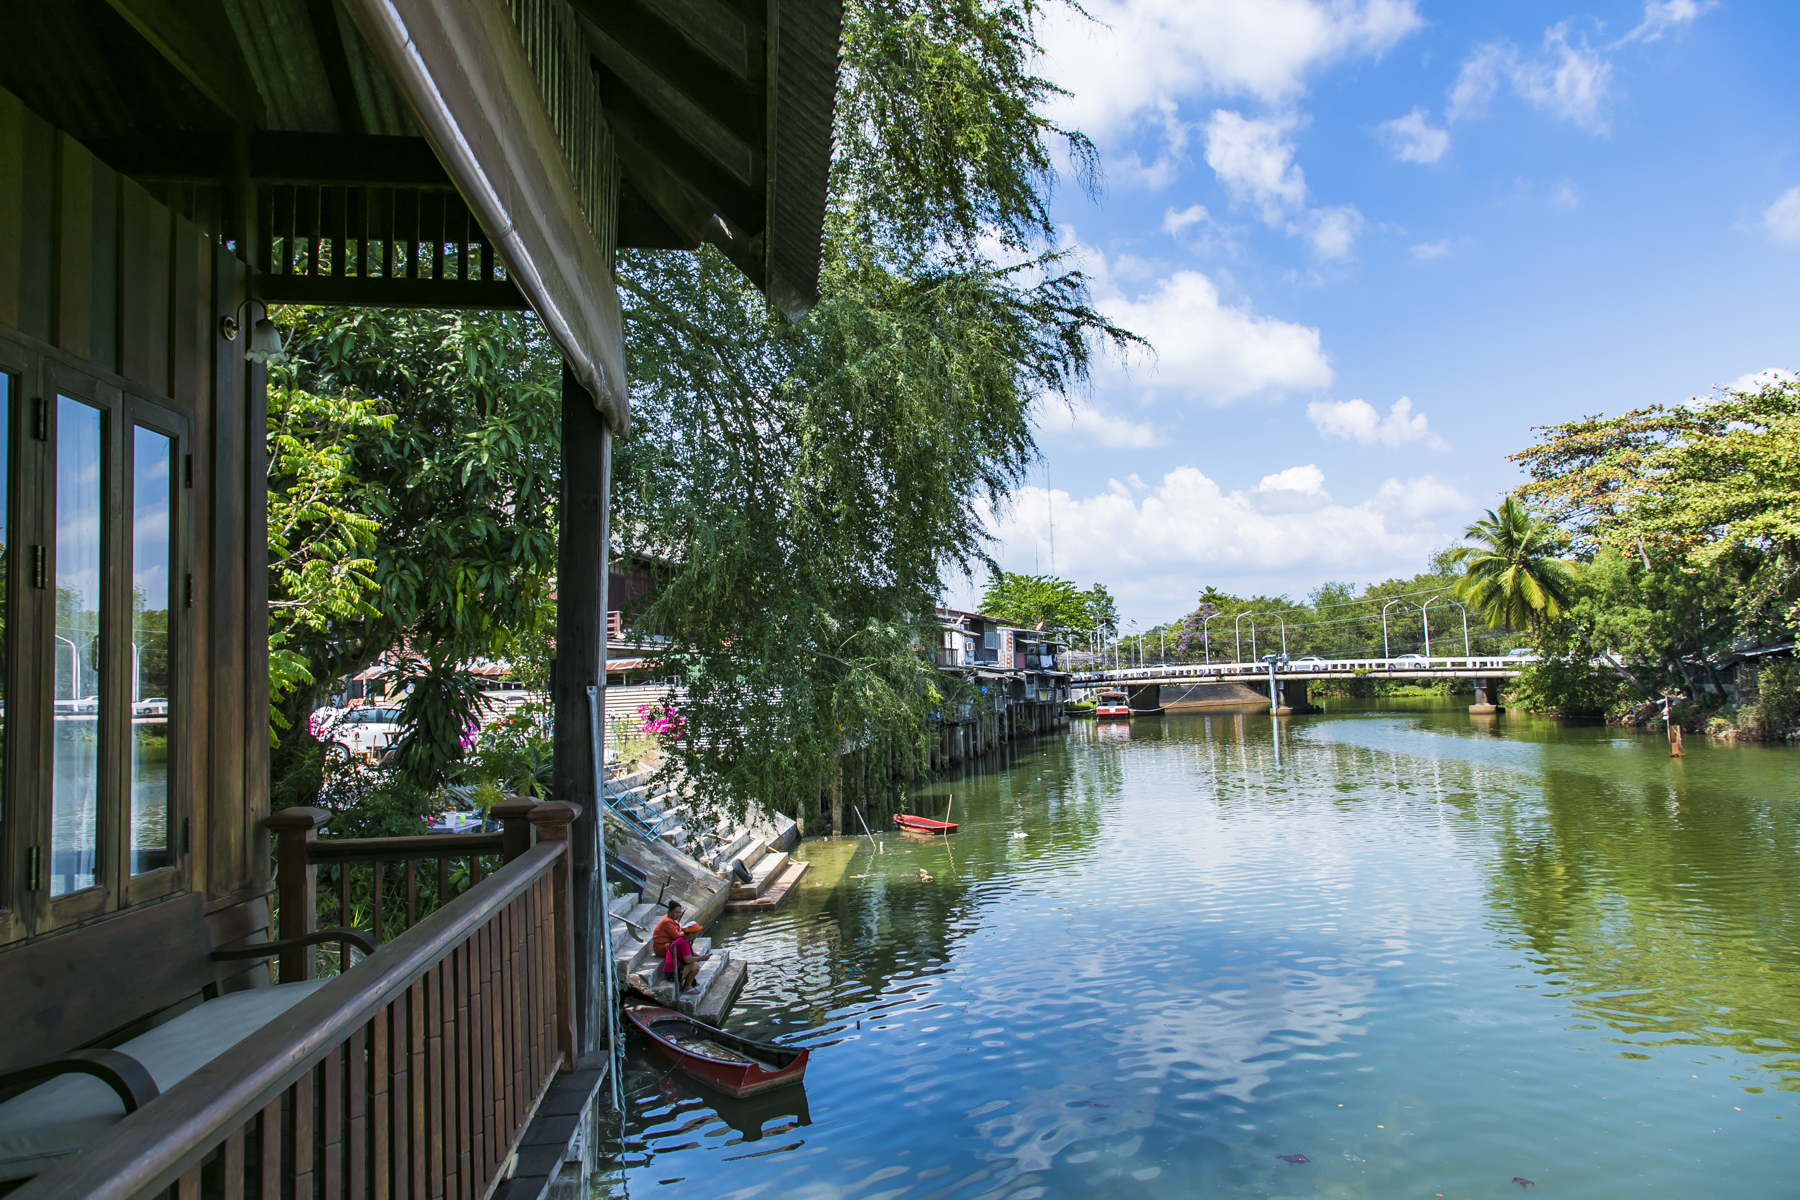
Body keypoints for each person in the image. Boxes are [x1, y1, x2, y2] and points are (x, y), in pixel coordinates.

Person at [651, 899, 708, 993]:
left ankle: (690, 982)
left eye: (679, 912)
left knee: (693, 963)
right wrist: (700, 958)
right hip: (667, 963)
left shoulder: (684, 940)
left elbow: (689, 952)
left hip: (671, 955)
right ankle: (687, 987)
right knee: (694, 965)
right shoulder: (682, 940)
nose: (678, 914)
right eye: (694, 933)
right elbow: (688, 959)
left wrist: (699, 956)